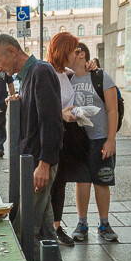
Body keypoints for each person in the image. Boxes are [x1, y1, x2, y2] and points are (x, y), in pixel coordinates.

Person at [0, 33, 69, 261]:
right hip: (34, 164)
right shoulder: (31, 75)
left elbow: (52, 122)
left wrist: (44, 164)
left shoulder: (41, 72)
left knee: (25, 228)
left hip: (39, 165)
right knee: (45, 230)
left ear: (12, 52)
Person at [66, 41, 120, 242]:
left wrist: (111, 140)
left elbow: (112, 110)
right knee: (82, 181)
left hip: (100, 139)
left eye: (70, 52)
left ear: (80, 54)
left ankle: (104, 223)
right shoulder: (67, 78)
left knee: (101, 181)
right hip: (78, 140)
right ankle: (82, 222)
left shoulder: (101, 77)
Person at [46, 33, 90, 246]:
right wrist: (61, 114)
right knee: (50, 182)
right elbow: (40, 106)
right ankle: (46, 228)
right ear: (64, 50)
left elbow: (84, 72)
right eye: (74, 50)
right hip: (54, 133)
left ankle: (55, 227)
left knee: (60, 181)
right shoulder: (47, 73)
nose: (77, 54)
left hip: (68, 134)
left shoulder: (67, 73)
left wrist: (90, 67)